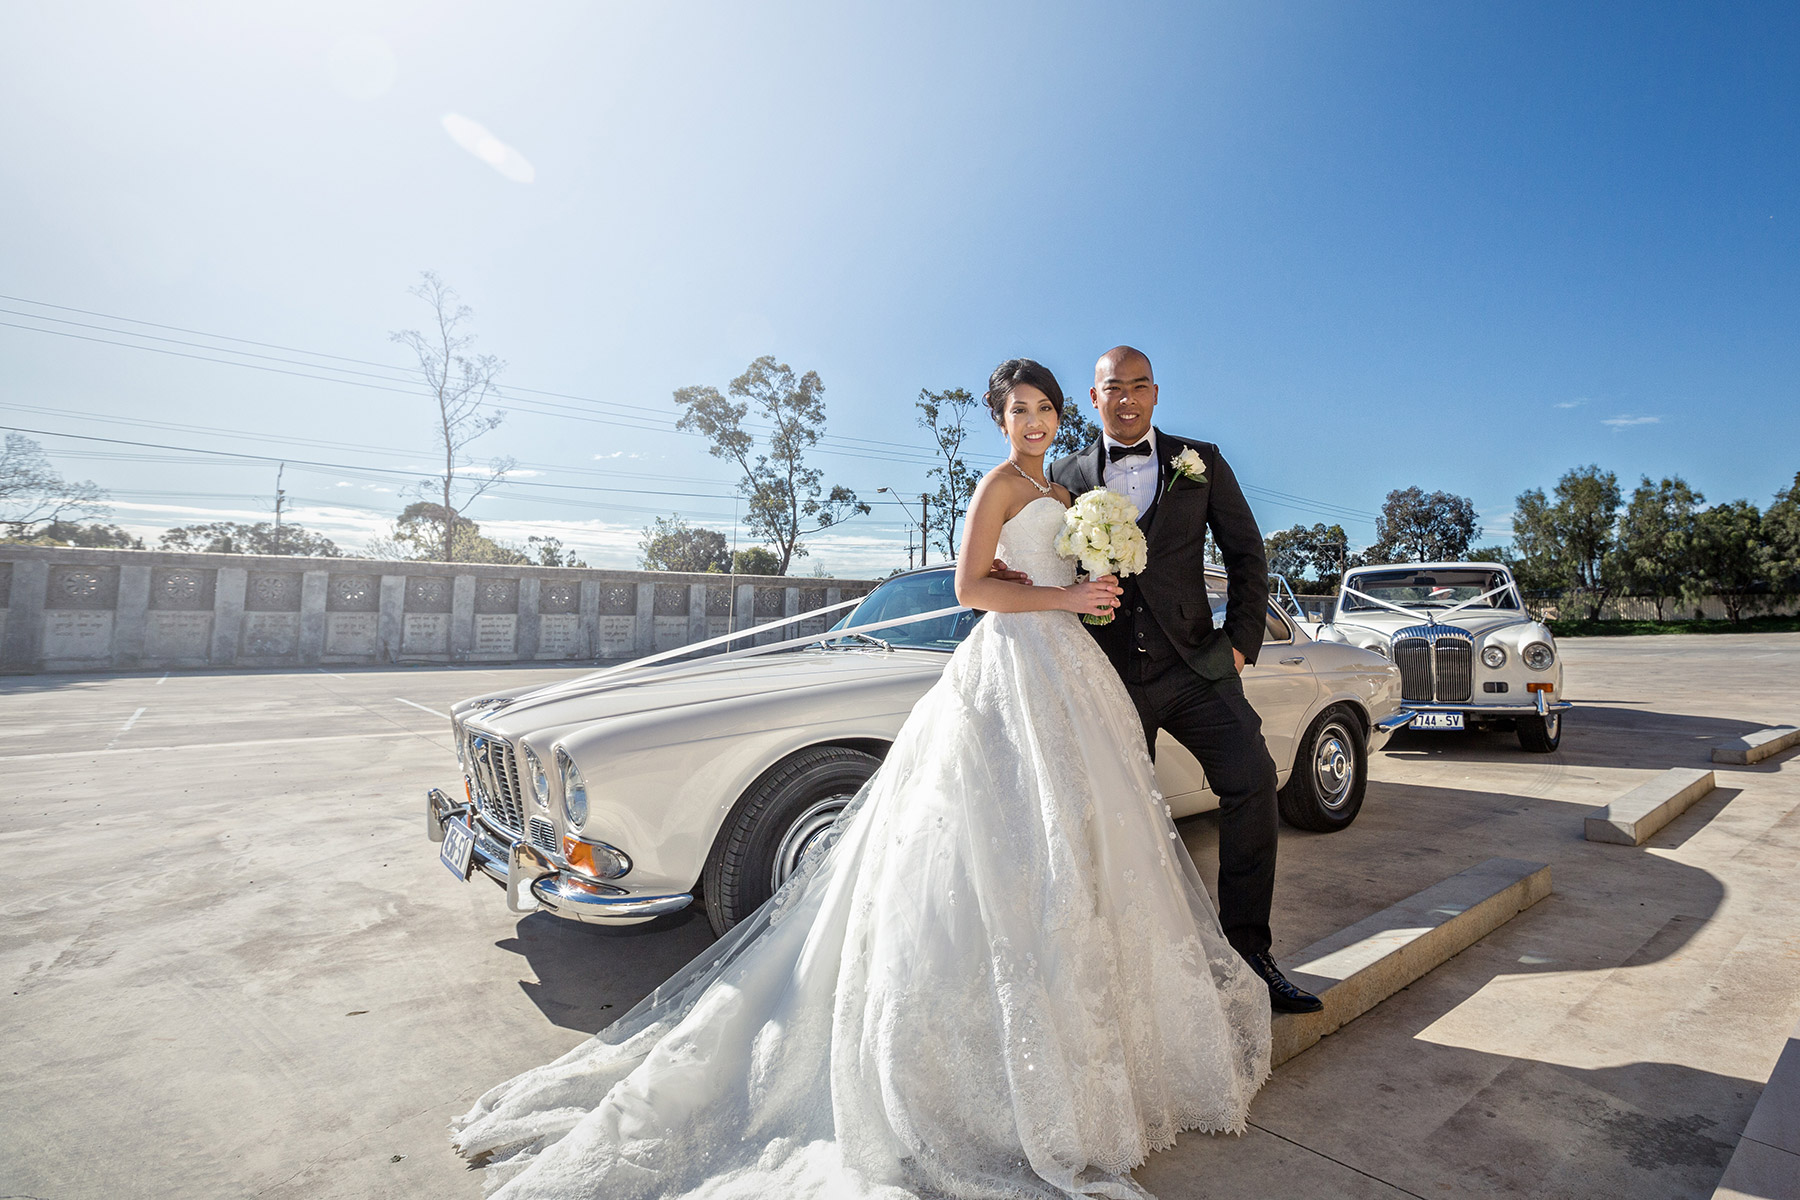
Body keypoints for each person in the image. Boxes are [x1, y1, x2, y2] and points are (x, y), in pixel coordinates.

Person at [450, 358, 1272, 1200]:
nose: (1034, 420)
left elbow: (1183, 567)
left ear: (1073, 412)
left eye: (1044, 407)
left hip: (1098, 676)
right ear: (1006, 417)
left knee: (1093, 841)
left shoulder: (1071, 492)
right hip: (1020, 671)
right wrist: (1064, 599)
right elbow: (970, 586)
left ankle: (1166, 993)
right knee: (998, 846)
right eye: (1020, 409)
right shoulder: (1003, 483)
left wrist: (1130, 609)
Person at [1036, 345, 1322, 1014]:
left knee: (1252, 780)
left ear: (1156, 395)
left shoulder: (1202, 462)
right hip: (1105, 673)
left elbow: (1250, 557)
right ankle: (1116, 970)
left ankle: (1250, 956)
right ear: (1093, 397)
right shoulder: (1064, 472)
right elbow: (1052, 569)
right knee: (1105, 814)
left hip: (1197, 668)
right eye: (1114, 389)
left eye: (1139, 387)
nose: (1127, 399)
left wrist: (1240, 649)